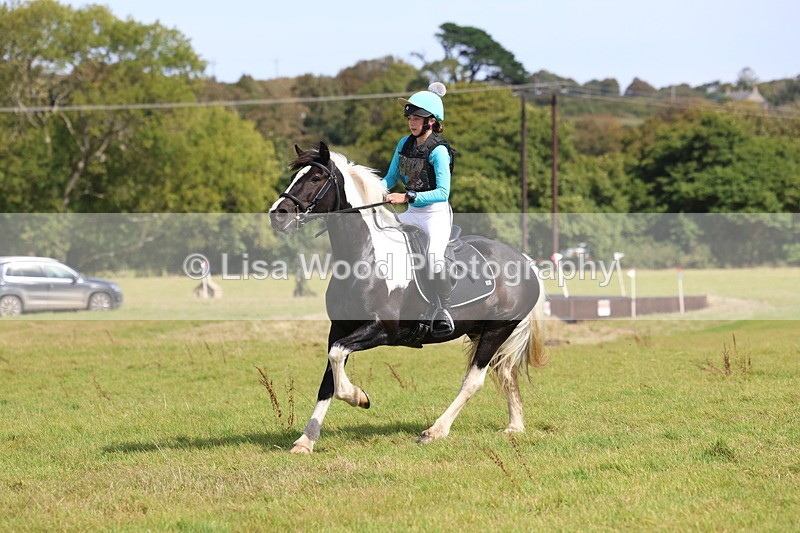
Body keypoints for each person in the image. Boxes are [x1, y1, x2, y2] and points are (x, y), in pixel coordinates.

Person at [382, 82, 455, 337]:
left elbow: (443, 193)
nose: (412, 123)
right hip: (411, 211)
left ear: (431, 122)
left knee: (433, 259)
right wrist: (371, 191)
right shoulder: (403, 144)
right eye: (410, 118)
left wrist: (406, 196)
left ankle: (443, 310)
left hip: (435, 214)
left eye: (417, 118)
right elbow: (390, 179)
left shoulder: (439, 151)